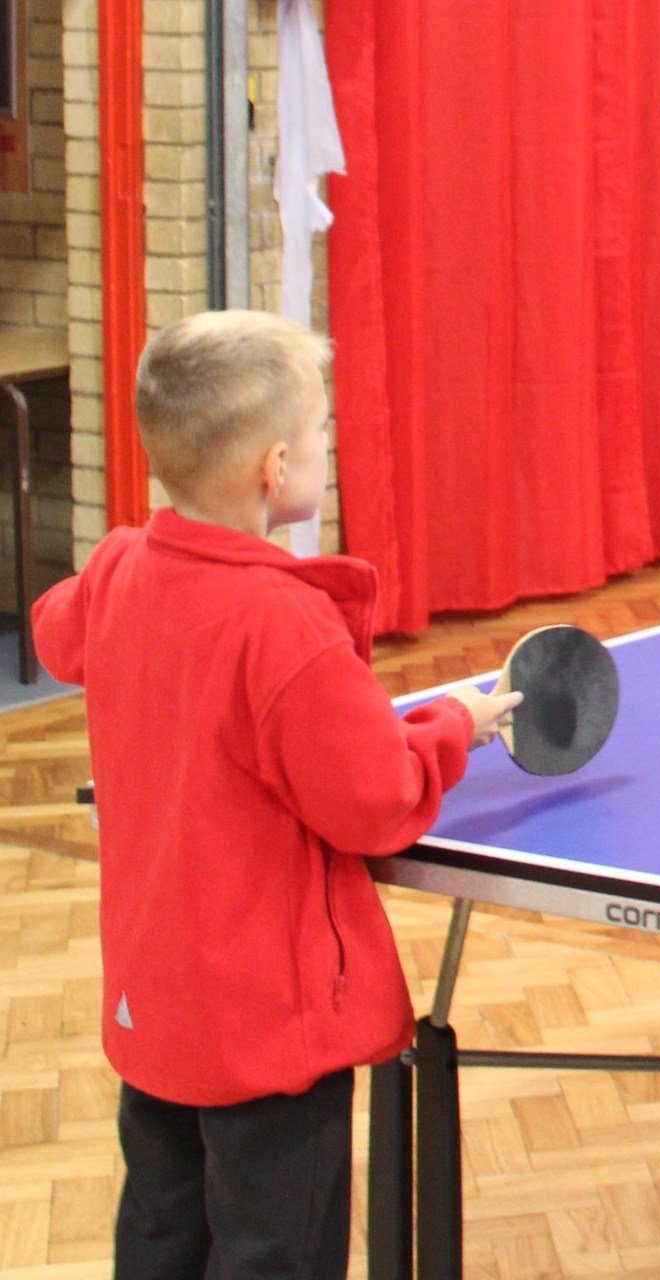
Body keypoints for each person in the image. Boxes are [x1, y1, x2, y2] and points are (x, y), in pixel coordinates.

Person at [31, 310, 518, 1279]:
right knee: (274, 1254)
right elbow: (374, 798)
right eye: (325, 432)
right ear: (276, 464)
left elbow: (56, 631)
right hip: (266, 1022)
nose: (328, 450)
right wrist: (454, 723)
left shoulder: (126, 564)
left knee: (161, 1233)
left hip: (154, 1001)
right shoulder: (283, 625)